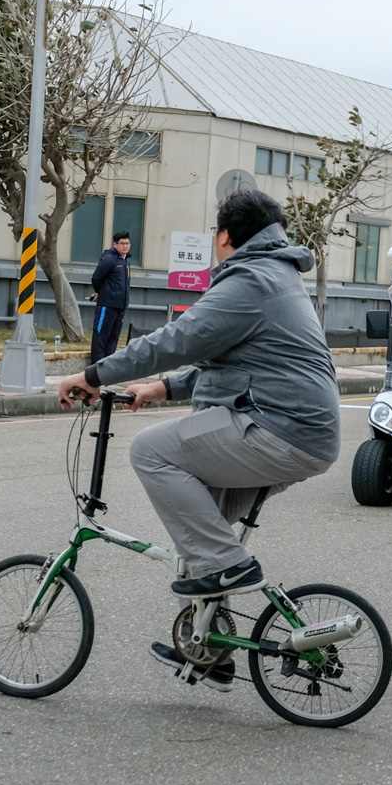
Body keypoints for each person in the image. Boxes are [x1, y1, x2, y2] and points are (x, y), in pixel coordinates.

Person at [57, 189, 340, 691]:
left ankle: (230, 567)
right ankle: (212, 652)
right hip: (300, 431)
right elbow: (230, 363)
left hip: (280, 429)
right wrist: (163, 386)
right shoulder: (278, 276)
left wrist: (94, 374)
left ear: (225, 235)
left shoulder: (251, 279)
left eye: (215, 233)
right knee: (199, 534)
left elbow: (178, 340)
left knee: (151, 451)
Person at [89, 231, 132, 363]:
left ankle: (107, 365)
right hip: (107, 304)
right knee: (101, 334)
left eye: (127, 243)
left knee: (114, 337)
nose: (125, 246)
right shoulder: (109, 258)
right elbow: (96, 278)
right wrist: (102, 292)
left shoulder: (126, 261)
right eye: (122, 243)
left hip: (121, 305)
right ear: (115, 244)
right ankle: (96, 366)